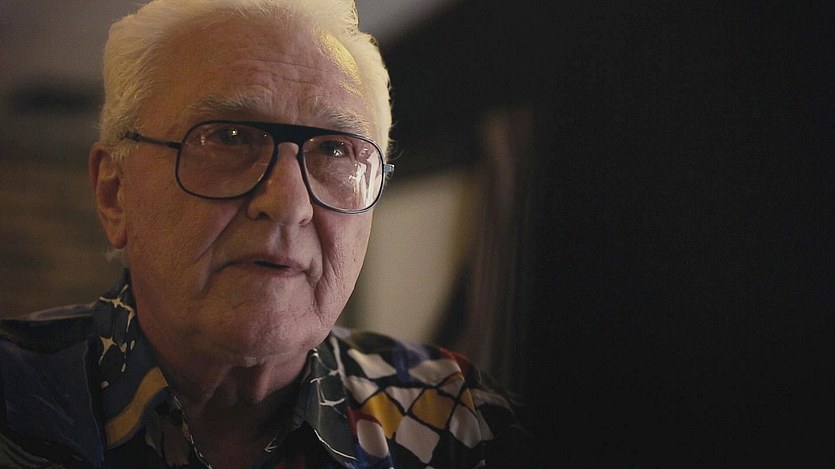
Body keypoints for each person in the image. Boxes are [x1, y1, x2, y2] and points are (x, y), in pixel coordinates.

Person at [0, 0, 528, 467]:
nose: (289, 205)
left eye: (335, 150)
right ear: (115, 193)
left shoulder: (459, 424)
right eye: (228, 137)